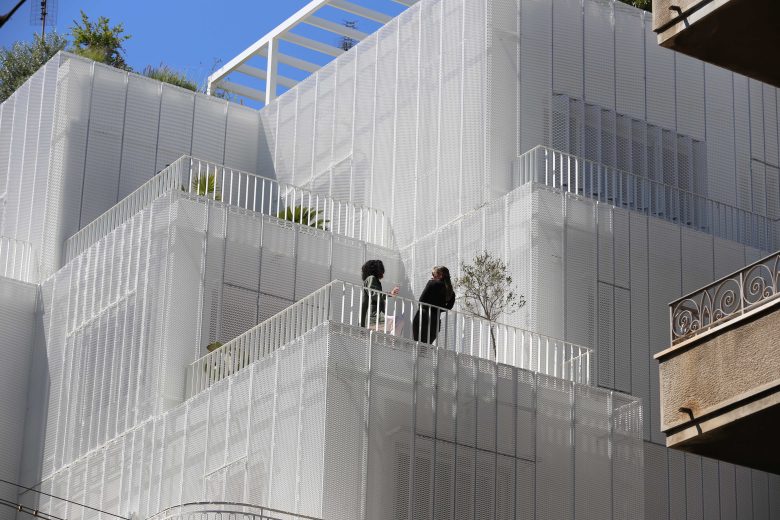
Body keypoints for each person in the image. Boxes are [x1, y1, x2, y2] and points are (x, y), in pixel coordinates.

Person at [413, 266, 456, 344]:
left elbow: (421, 300)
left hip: (423, 316)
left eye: (433, 274)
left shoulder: (432, 283)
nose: (432, 276)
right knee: (425, 348)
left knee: (417, 345)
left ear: (440, 275)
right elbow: (448, 308)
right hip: (435, 321)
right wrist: (437, 309)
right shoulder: (451, 292)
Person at [360, 259, 400, 333]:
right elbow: (374, 294)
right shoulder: (371, 278)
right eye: (381, 270)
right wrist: (390, 293)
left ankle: (392, 342)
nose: (383, 273)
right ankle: (392, 342)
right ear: (377, 270)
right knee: (399, 320)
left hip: (374, 318)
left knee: (397, 322)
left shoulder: (372, 281)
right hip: (374, 318)